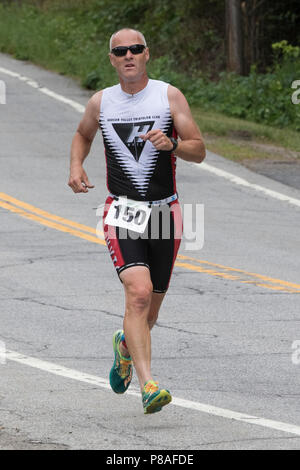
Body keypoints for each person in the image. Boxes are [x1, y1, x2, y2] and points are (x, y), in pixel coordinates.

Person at [68, 28, 206, 414]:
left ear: (148, 54)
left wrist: (173, 144)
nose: (128, 55)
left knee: (151, 313)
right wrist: (76, 164)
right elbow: (83, 134)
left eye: (136, 49)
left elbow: (199, 149)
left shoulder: (168, 95)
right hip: (123, 210)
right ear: (111, 59)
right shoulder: (102, 102)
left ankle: (125, 346)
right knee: (139, 293)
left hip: (166, 212)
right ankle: (149, 386)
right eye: (120, 51)